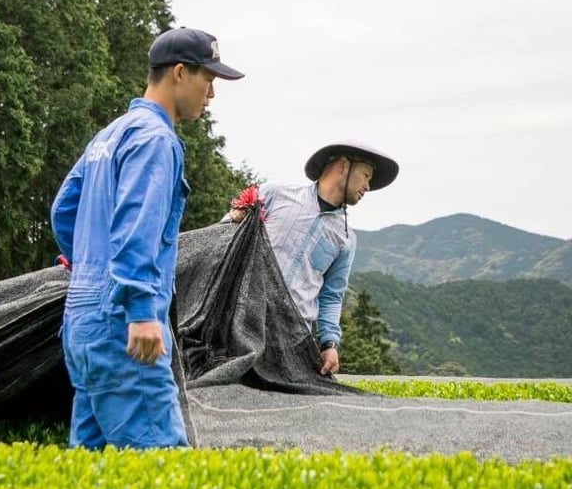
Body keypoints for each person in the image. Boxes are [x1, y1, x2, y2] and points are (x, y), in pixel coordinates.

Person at [51, 27, 245, 449]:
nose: (211, 95)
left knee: (91, 468)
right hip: (123, 324)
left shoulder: (109, 135)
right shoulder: (157, 139)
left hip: (81, 321)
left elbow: (63, 210)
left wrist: (89, 269)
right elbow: (136, 223)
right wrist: (138, 308)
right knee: (160, 471)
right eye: (208, 80)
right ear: (179, 73)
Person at [228, 140, 398, 376]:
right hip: (242, 322)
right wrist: (235, 217)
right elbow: (225, 239)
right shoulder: (275, 195)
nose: (368, 186)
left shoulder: (345, 239)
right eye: (366, 175)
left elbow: (331, 294)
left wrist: (329, 343)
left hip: (292, 338)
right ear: (343, 166)